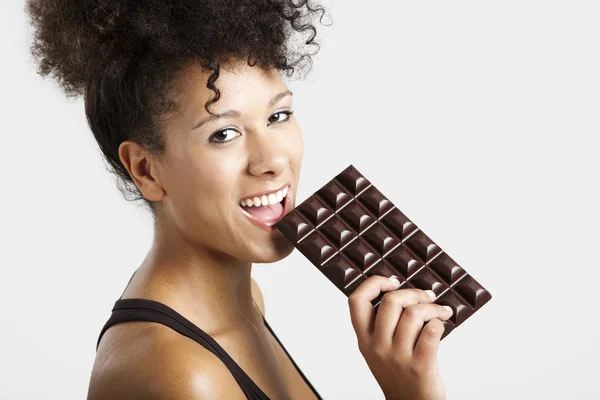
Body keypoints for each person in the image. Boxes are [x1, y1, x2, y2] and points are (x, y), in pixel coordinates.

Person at [25, 1, 454, 399]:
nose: (272, 160)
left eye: (278, 116)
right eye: (223, 134)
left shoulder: (245, 298)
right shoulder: (179, 372)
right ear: (145, 169)